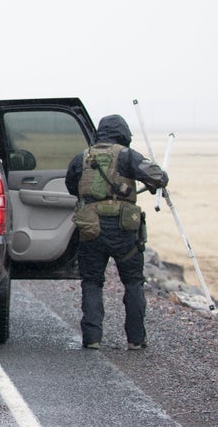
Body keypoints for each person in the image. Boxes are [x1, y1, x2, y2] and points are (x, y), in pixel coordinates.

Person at [65, 114, 168, 350]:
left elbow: (72, 186)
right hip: (124, 230)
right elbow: (157, 177)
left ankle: (92, 339)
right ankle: (135, 340)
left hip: (91, 229)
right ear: (123, 133)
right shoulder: (127, 155)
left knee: (91, 282)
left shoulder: (81, 158)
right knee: (133, 282)